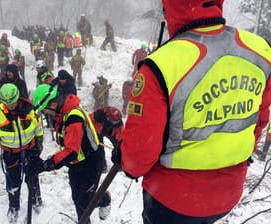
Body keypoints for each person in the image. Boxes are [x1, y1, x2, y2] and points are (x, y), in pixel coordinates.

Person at [112, 1, 271, 224]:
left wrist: (124, 157)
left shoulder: (161, 64)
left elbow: (138, 157)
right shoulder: (260, 51)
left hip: (172, 202)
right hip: (229, 192)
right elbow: (257, 121)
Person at [27, 84, 111, 223]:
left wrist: (45, 165)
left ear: (53, 104)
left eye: (45, 110)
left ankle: (105, 200)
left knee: (85, 201)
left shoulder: (73, 118)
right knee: (78, 199)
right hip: (77, 163)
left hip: (91, 161)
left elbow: (71, 151)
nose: (46, 113)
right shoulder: (62, 113)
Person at [0, 83, 44, 219]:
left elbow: (38, 125)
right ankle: (14, 206)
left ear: (18, 97)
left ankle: (37, 200)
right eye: (7, 103)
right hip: (10, 152)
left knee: (32, 177)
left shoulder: (30, 110)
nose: (10, 105)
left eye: (13, 102)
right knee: (13, 180)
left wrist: (39, 139)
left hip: (29, 148)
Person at [90, 106, 123, 173]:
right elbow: (88, 121)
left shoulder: (118, 124)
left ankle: (120, 164)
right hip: (97, 130)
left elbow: (121, 137)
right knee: (99, 148)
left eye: (117, 122)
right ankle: (102, 165)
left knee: (120, 147)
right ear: (108, 117)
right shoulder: (98, 115)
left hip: (111, 131)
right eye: (114, 121)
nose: (116, 123)